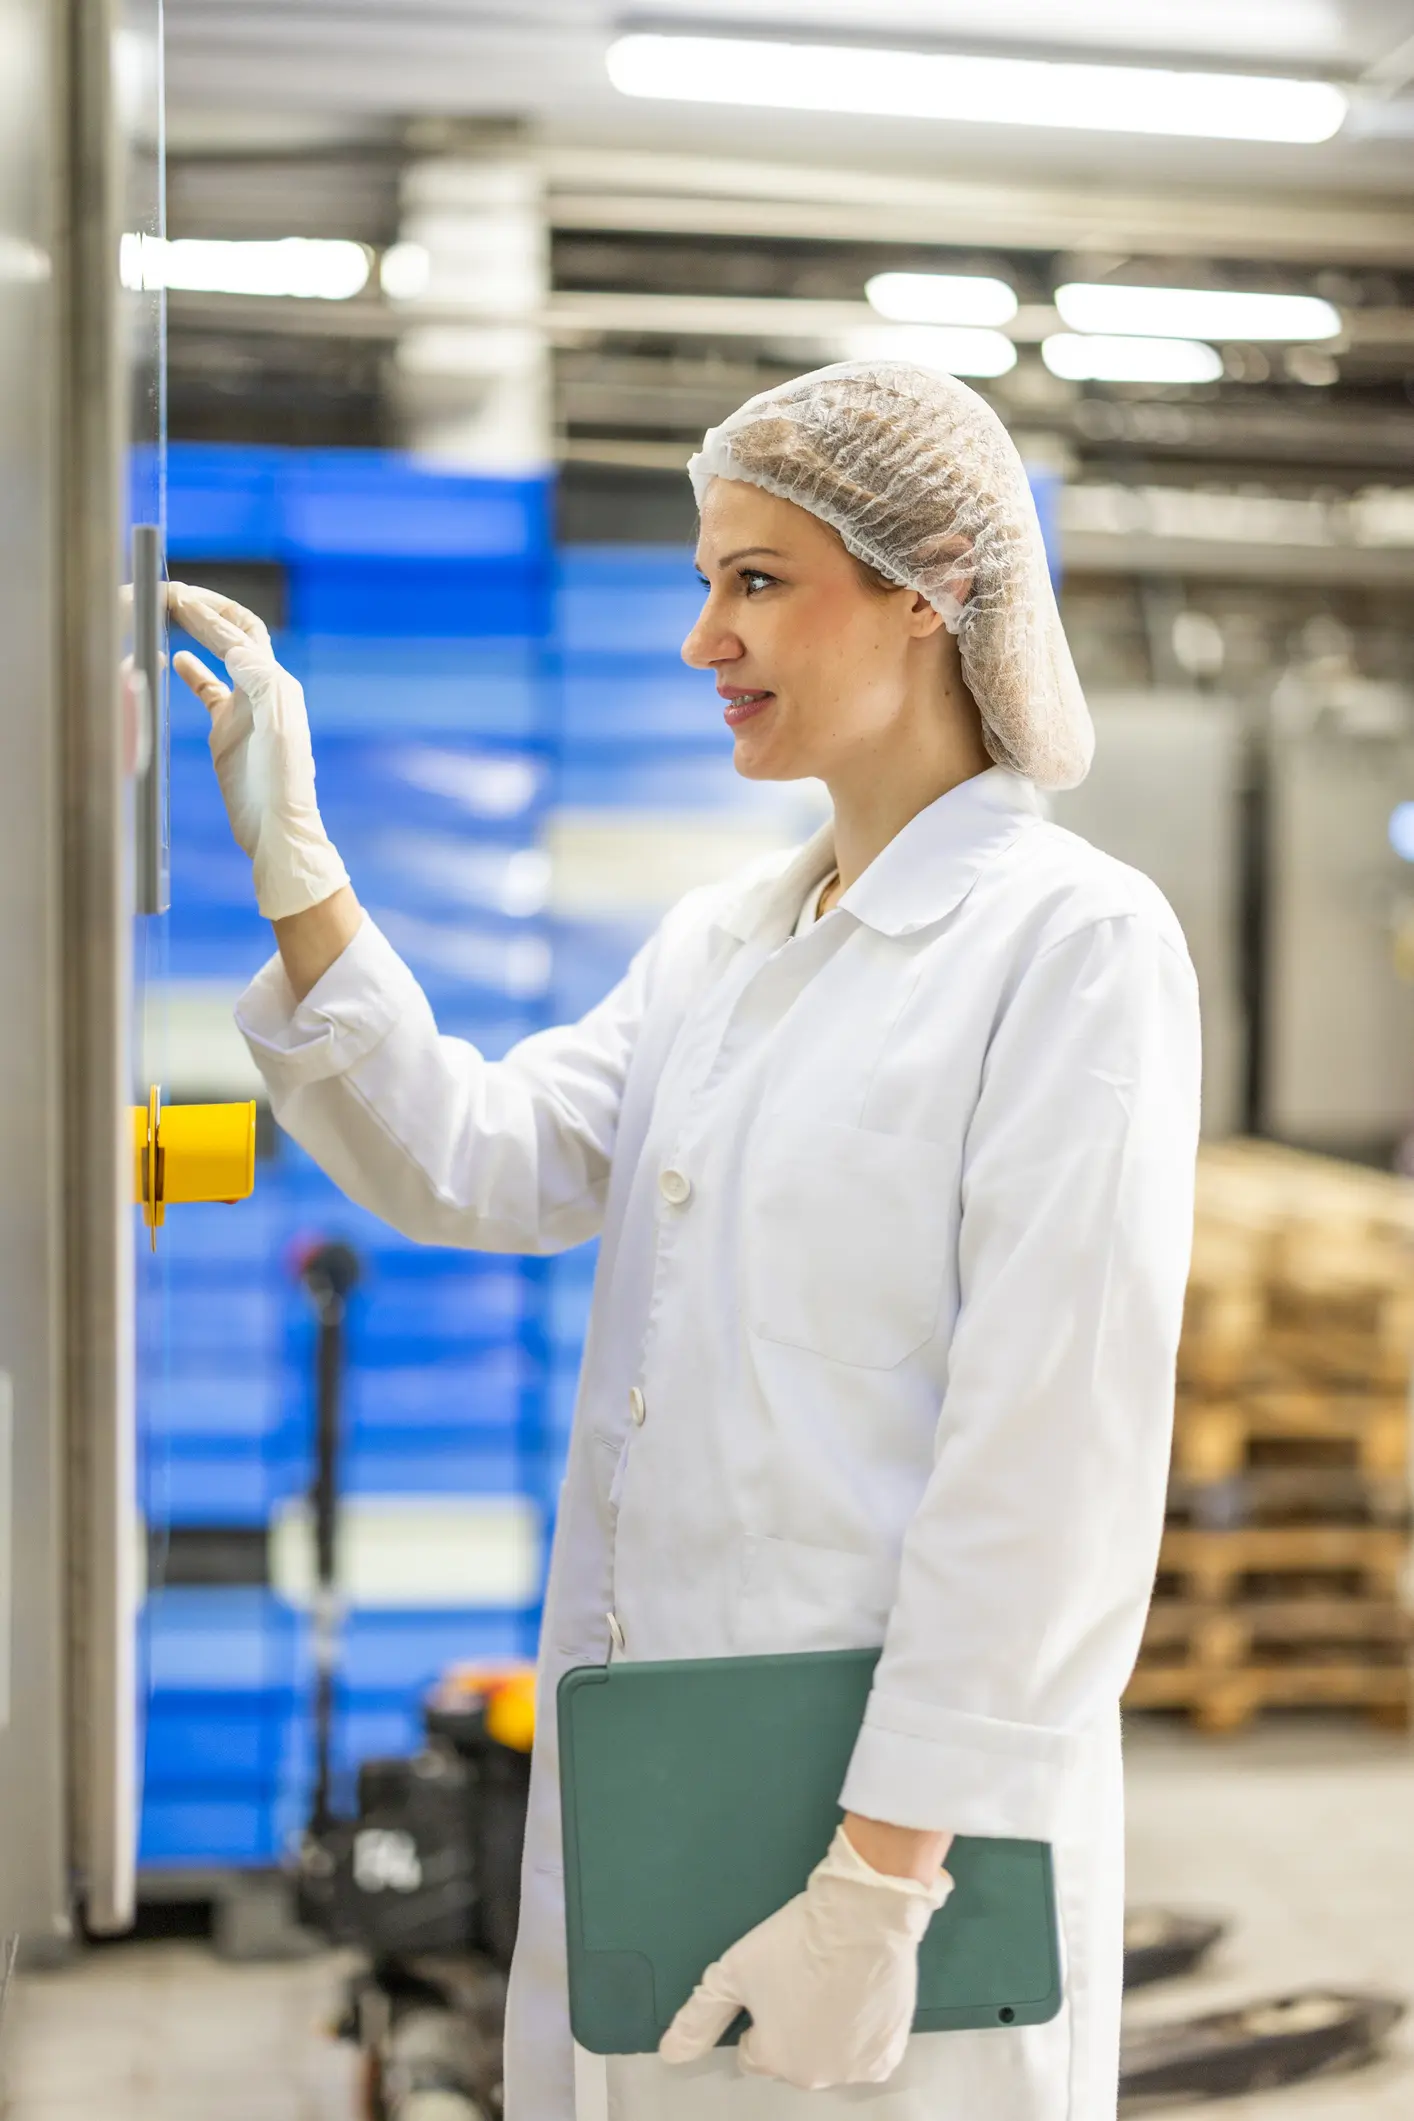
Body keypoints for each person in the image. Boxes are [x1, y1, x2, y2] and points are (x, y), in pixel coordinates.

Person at [170, 359, 1201, 2121]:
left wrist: (879, 1882)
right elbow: (483, 1163)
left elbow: (1054, 1462)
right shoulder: (723, 943)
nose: (701, 638)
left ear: (929, 589)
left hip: (891, 1839)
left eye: (758, 581)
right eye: (705, 580)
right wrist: (299, 871)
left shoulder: (1070, 946)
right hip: (667, 1784)